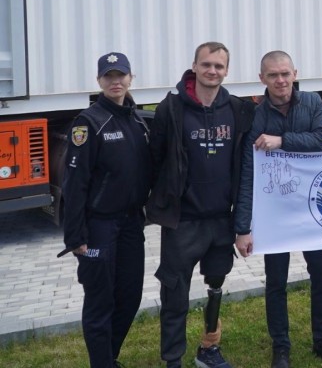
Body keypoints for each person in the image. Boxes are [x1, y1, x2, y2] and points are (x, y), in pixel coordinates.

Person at [146, 42, 255, 368]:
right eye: (206, 64)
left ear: (227, 70)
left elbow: (245, 164)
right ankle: (173, 359)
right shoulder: (171, 108)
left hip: (221, 219)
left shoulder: (237, 109)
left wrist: (242, 223)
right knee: (174, 292)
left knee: (216, 285)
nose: (212, 71)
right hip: (183, 221)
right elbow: (155, 160)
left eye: (219, 66)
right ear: (194, 66)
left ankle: (209, 349)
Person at [234, 51, 322, 368]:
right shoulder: (255, 116)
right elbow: (248, 173)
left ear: (295, 73)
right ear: (262, 78)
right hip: (275, 213)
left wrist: (282, 140)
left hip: (313, 209)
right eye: (273, 75)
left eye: (285, 74)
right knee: (276, 282)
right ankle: (280, 346)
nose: (280, 80)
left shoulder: (312, 102)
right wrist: (243, 228)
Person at [62, 52, 152, 368]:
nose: (115, 81)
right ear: (99, 81)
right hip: (99, 226)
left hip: (131, 224)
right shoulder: (88, 123)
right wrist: (75, 235)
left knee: (130, 296)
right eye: (108, 76)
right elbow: (74, 184)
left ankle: (108, 357)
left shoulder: (138, 120)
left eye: (121, 75)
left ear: (131, 78)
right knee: (100, 302)